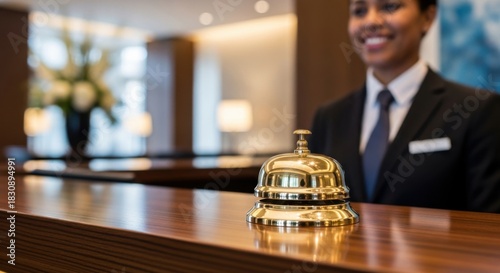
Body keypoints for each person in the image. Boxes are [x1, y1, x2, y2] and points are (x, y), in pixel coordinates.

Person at [309, 0, 500, 213]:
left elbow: (491, 222)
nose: (371, 21)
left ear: (427, 17)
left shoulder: (477, 110)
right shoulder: (329, 118)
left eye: (389, 7)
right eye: (359, 11)